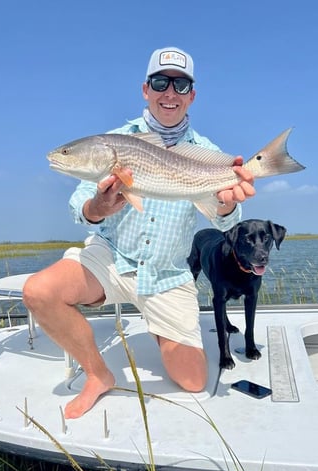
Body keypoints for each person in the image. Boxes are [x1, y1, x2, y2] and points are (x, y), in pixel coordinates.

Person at [23, 47, 256, 419]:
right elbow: (79, 205)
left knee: (194, 380)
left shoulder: (207, 153)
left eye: (181, 85)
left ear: (192, 95)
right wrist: (96, 208)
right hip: (113, 256)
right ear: (145, 89)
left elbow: (226, 220)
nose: (170, 92)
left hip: (167, 272)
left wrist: (228, 204)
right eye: (160, 82)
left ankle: (160, 323)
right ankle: (99, 375)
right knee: (38, 291)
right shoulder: (115, 140)